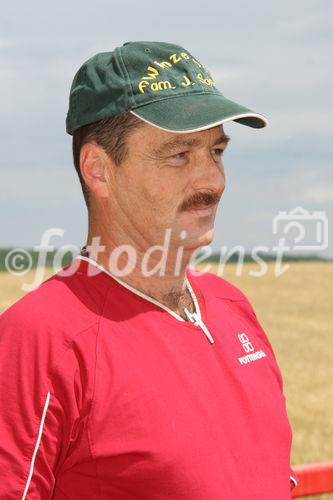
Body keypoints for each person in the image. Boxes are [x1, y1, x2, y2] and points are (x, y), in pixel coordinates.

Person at [0, 41, 298, 498]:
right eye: (179, 155)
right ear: (98, 169)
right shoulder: (39, 340)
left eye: (217, 152)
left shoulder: (233, 307)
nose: (212, 181)